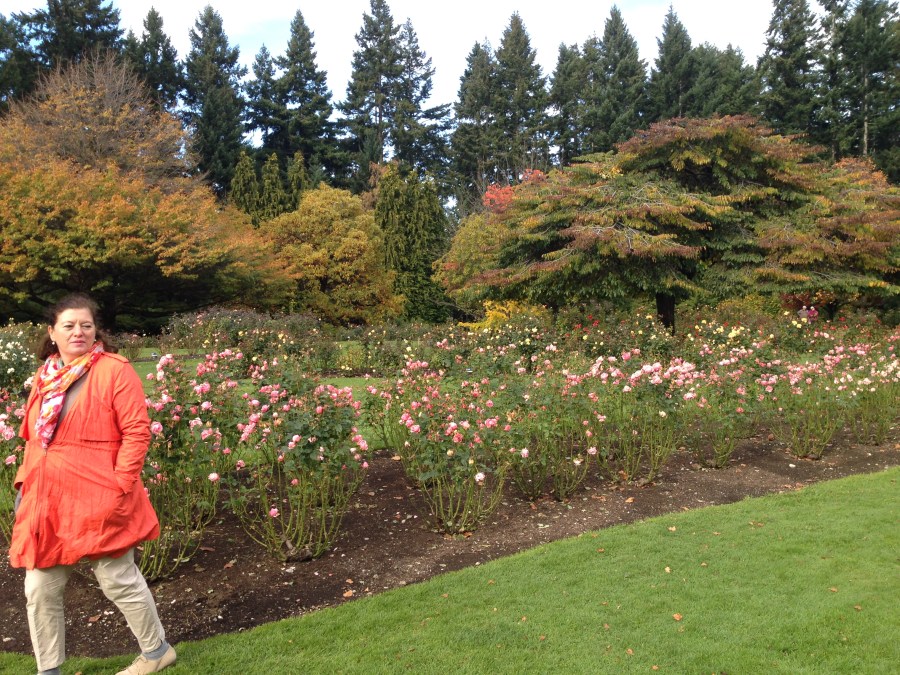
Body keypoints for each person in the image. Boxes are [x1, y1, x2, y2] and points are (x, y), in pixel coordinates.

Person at [9, 293, 176, 675]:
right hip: (48, 501)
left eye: (86, 325)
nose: (78, 332)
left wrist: (119, 486)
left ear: (96, 330)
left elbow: (137, 432)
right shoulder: (45, 376)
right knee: (40, 589)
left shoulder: (114, 371)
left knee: (118, 580)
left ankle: (156, 652)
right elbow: (35, 439)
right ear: (52, 332)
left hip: (99, 496)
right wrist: (24, 485)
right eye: (68, 325)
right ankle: (49, 669)